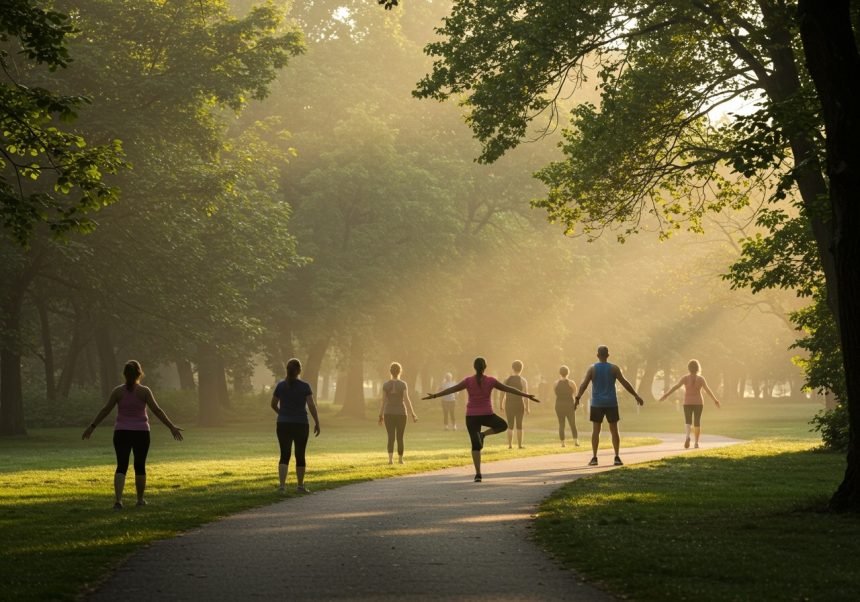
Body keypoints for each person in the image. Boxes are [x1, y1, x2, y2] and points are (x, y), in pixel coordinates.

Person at [82, 360, 183, 510]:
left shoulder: (118, 391)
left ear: (124, 374)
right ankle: (140, 500)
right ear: (140, 374)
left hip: (121, 432)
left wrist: (92, 426)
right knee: (140, 466)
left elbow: (105, 410)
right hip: (141, 432)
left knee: (121, 466)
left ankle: (118, 501)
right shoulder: (144, 391)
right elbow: (157, 410)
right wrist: (171, 427)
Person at [424, 357, 539, 482]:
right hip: (486, 415)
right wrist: (526, 395)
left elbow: (452, 389)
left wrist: (435, 395)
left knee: (475, 446)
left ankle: (478, 473)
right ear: (485, 367)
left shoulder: (468, 381)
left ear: (474, 367)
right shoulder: (490, 380)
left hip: (471, 416)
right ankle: (483, 435)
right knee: (503, 425)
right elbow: (508, 389)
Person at [575, 346, 644, 466]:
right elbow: (625, 383)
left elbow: (584, 384)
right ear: (608, 355)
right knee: (614, 430)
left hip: (597, 403)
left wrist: (577, 398)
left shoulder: (592, 369)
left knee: (596, 430)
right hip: (611, 403)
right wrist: (636, 395)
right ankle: (617, 457)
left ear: (597, 355)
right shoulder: (614, 368)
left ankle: (594, 458)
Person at [271, 358, 321, 494]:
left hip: (283, 424)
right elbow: (311, 405)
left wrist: (282, 413)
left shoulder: (281, 386)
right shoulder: (305, 386)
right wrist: (317, 421)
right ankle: (300, 486)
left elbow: (273, 404)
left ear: (287, 370)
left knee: (284, 454)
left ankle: (282, 487)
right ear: (299, 370)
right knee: (300, 454)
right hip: (300, 424)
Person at [659, 359, 721, 448]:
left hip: (687, 402)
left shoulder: (685, 378)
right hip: (698, 403)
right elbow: (707, 390)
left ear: (689, 368)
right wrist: (715, 400)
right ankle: (696, 443)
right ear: (698, 368)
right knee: (697, 422)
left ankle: (687, 437)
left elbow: (676, 387)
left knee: (688, 421)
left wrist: (666, 395)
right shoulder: (701, 379)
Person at [378, 362, 418, 464]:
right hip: (401, 413)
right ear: (400, 371)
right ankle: (400, 460)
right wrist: (413, 413)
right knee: (400, 437)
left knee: (390, 436)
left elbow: (383, 401)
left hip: (388, 413)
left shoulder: (386, 385)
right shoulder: (403, 384)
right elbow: (407, 400)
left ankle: (390, 460)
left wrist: (380, 415)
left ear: (390, 372)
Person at [500, 360, 529, 449]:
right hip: (519, 404)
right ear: (521, 369)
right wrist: (527, 407)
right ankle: (520, 445)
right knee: (519, 425)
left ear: (512, 368)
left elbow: (502, 394)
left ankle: (510, 445)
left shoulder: (506, 380)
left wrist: (501, 405)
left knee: (510, 425)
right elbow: (526, 395)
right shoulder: (523, 381)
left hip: (509, 404)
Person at [554, 365, 579, 447]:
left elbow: (555, 393)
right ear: (568, 373)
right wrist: (577, 404)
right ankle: (576, 442)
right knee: (572, 423)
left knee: (561, 424)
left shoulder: (556, 383)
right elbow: (576, 394)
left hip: (559, 405)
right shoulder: (571, 383)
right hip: (569, 405)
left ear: (559, 373)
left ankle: (562, 443)